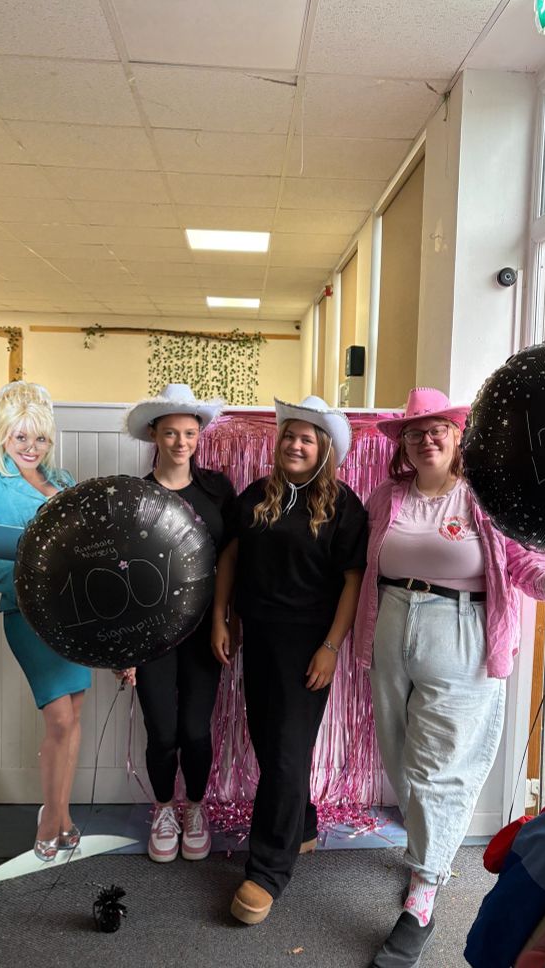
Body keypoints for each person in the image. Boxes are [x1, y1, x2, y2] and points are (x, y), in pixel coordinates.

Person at [353, 387, 545, 968]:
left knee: (438, 767)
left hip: (461, 631)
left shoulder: (484, 495)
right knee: (401, 758)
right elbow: (361, 562)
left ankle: (423, 894)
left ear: (458, 436)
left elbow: (521, 561)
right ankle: (425, 854)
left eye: (438, 430)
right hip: (391, 625)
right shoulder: (386, 496)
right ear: (403, 444)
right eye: (414, 432)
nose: (426, 440)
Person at [211, 396, 368, 925]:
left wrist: (331, 647)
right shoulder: (257, 495)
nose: (295, 445)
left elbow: (352, 582)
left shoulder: (344, 505)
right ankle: (301, 824)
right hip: (258, 638)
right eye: (289, 436)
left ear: (323, 449)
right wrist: (221, 617)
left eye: (306, 439)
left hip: (308, 646)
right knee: (271, 745)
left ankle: (267, 871)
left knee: (284, 753)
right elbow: (230, 557)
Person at [0, 381, 91, 861]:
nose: (31, 448)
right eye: (21, 437)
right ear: (3, 435)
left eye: (39, 438)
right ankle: (51, 819)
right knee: (59, 718)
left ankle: (62, 815)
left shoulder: (65, 480)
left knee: (74, 716)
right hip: (27, 614)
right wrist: (34, 578)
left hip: (74, 617)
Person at [119, 383, 235, 863]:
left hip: (205, 629)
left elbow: (231, 558)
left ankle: (195, 808)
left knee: (195, 730)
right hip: (151, 636)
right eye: (171, 433)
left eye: (189, 433)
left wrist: (223, 620)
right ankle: (164, 809)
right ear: (155, 435)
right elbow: (122, 575)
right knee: (162, 731)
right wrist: (124, 649)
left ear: (199, 435)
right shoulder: (136, 495)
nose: (181, 442)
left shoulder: (217, 490)